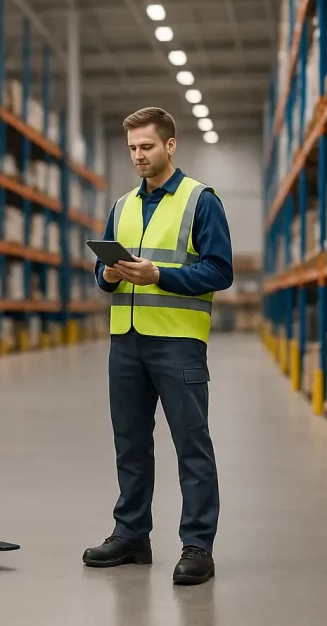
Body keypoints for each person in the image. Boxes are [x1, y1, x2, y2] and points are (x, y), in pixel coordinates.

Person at [81, 107, 233, 586]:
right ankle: (131, 536)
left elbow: (220, 270)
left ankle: (198, 545)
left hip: (177, 343)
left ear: (170, 145)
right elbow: (103, 272)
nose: (138, 156)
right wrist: (107, 274)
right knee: (130, 443)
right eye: (132, 148)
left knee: (191, 444)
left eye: (146, 146)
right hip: (126, 343)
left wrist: (159, 275)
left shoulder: (200, 200)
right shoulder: (123, 205)